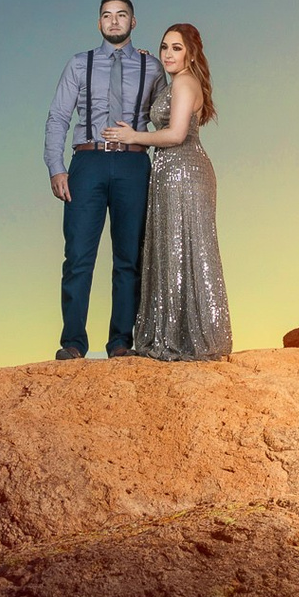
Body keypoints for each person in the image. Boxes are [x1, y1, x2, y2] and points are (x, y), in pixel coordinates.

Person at [105, 21, 232, 361]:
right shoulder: (178, 81)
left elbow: (175, 134)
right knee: (172, 249)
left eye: (176, 48)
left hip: (182, 172)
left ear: (191, 52)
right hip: (172, 172)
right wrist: (150, 62)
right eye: (164, 47)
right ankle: (175, 333)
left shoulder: (186, 83)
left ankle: (179, 338)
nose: (168, 53)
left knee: (183, 250)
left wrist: (133, 137)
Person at [44, 0, 158, 359]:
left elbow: (171, 113)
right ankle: (73, 343)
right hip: (87, 163)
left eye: (121, 15)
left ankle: (121, 342)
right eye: (107, 15)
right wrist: (56, 166)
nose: (114, 21)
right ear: (99, 23)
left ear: (133, 22)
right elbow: (58, 117)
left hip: (133, 164)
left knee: (129, 258)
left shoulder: (152, 67)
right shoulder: (79, 64)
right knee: (77, 255)